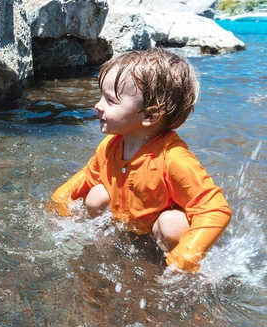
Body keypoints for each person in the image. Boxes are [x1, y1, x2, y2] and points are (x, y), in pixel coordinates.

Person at [49, 48, 231, 272]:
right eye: (100, 96)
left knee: (171, 225)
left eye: (110, 100)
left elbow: (214, 209)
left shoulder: (173, 158)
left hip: (161, 232)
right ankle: (110, 246)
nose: (98, 105)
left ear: (149, 115)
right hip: (129, 223)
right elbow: (87, 178)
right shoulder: (110, 146)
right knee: (96, 196)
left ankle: (170, 264)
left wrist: (185, 257)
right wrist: (60, 202)